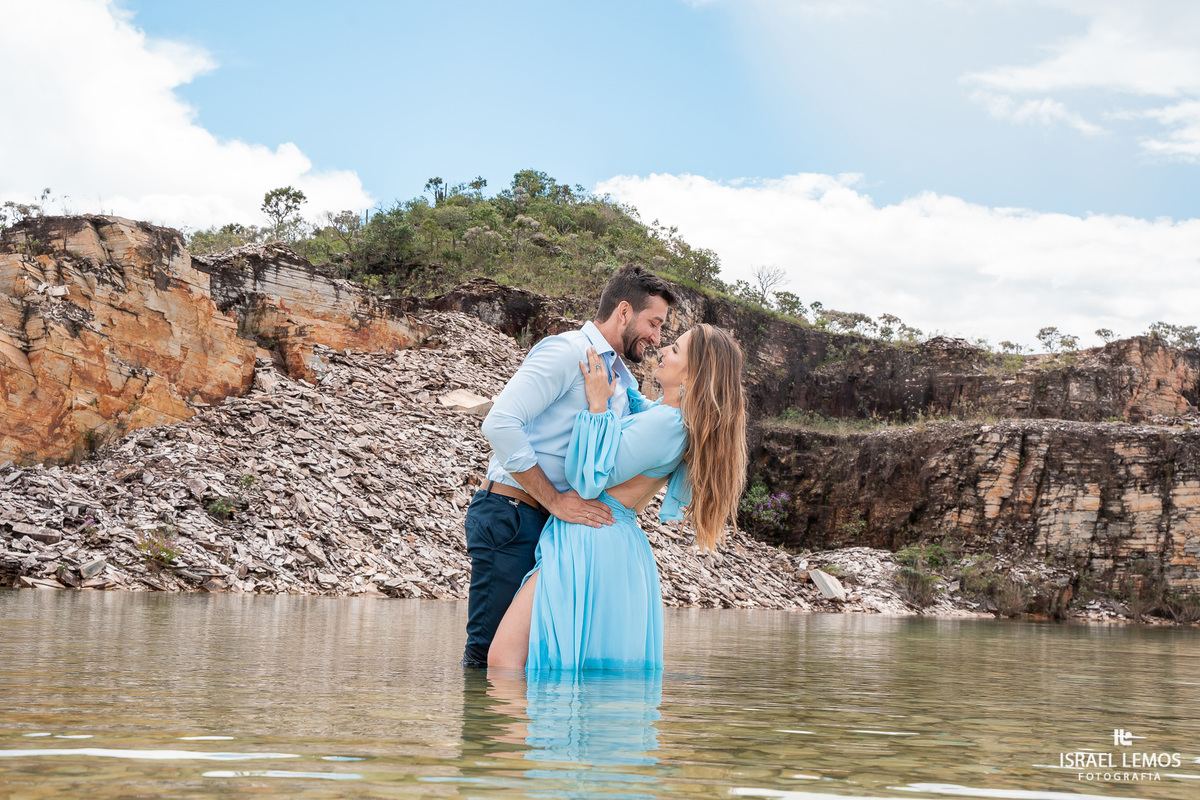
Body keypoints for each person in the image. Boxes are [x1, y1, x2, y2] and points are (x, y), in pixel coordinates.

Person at [487, 323, 748, 671]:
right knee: (560, 664)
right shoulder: (668, 418)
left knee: (504, 659)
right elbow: (640, 410)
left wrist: (598, 405)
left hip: (592, 535)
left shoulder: (666, 425)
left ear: (693, 375)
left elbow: (589, 480)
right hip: (605, 536)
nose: (662, 349)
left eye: (675, 350)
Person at [461, 266, 677, 668]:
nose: (656, 338)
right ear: (624, 312)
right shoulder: (567, 352)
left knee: (530, 660)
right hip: (512, 514)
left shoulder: (620, 381)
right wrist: (556, 501)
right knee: (489, 657)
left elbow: (663, 422)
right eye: (654, 323)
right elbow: (499, 424)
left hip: (552, 525)